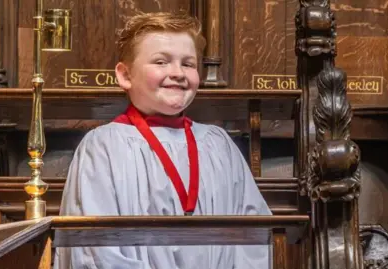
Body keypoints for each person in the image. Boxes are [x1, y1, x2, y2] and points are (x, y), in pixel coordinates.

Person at [53, 12, 272, 269]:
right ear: (125, 76)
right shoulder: (103, 146)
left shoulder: (218, 144)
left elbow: (253, 233)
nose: (177, 73)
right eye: (161, 62)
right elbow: (96, 249)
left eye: (188, 64)